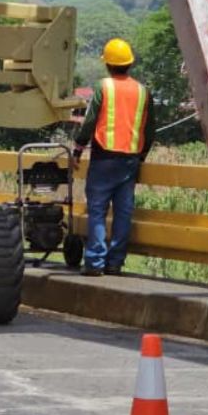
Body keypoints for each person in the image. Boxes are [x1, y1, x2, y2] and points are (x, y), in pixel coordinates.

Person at [73, 38, 156, 276]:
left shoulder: (103, 87)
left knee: (97, 210)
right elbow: (150, 130)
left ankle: (94, 263)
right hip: (130, 161)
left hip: (103, 157)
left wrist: (78, 148)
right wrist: (142, 156)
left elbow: (89, 122)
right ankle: (115, 263)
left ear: (108, 65)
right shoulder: (143, 92)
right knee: (123, 212)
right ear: (129, 64)